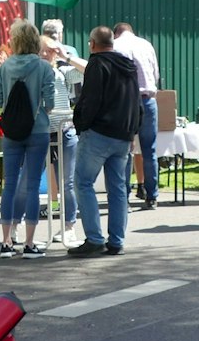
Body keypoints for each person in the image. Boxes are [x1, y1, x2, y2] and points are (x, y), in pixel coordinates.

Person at [69, 25, 141, 255]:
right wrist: (133, 131)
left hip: (98, 133)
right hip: (123, 135)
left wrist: (81, 123)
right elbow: (136, 101)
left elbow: (90, 99)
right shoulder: (128, 65)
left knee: (83, 182)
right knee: (118, 188)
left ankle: (94, 238)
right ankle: (117, 241)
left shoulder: (97, 64)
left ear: (92, 44)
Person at [0, 19, 57, 257]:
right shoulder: (44, 67)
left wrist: (7, 110)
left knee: (9, 185)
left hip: (11, 131)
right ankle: (29, 243)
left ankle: (6, 241)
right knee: (32, 187)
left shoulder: (4, 67)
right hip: (38, 129)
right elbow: (50, 102)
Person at [40, 19, 84, 238]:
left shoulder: (63, 71)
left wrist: (65, 56)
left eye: (50, 51)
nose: (46, 54)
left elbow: (88, 69)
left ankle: (69, 227)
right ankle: (19, 228)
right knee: (31, 180)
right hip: (40, 132)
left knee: (67, 181)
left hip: (64, 129)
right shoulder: (33, 72)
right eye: (43, 51)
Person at [112, 22, 162, 209]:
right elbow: (155, 74)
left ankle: (123, 197)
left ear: (116, 33)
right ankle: (152, 196)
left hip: (125, 101)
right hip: (148, 100)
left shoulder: (115, 46)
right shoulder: (146, 45)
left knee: (125, 150)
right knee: (150, 150)